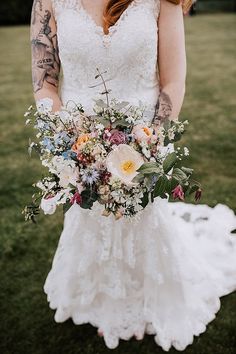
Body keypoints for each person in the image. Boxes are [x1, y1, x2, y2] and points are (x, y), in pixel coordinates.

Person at [30, 0, 236, 351]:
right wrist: (75, 143)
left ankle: (147, 299)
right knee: (95, 220)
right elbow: (44, 83)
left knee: (143, 221)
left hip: (145, 142)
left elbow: (173, 79)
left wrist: (150, 144)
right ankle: (102, 301)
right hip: (82, 145)